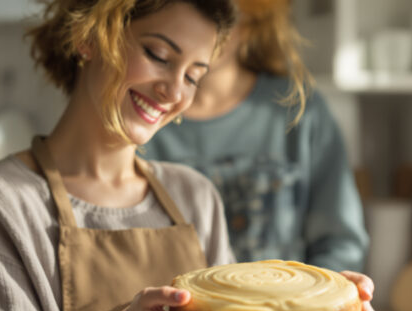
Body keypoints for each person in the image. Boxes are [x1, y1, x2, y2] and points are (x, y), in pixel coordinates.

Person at [0, 0, 378, 311]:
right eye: (158, 55)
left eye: (193, 75)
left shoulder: (193, 196)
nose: (174, 92)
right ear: (89, 37)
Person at [143, 0, 368, 274]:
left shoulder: (298, 110)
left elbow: (340, 241)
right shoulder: (141, 116)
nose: (204, 26)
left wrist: (312, 305)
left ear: (250, 24)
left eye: (221, 13)